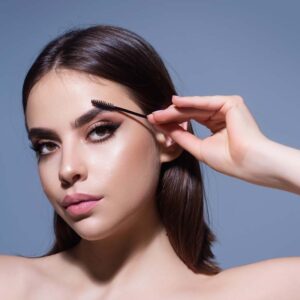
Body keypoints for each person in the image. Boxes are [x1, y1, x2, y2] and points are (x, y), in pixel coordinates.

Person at [0, 24, 300, 299]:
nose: (67, 169)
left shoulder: (259, 292)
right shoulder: (9, 283)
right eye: (47, 146)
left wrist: (263, 158)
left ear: (168, 136)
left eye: (100, 131)